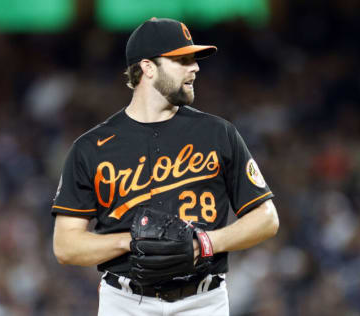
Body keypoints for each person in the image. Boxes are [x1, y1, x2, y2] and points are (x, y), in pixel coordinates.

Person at [51, 17, 279, 316]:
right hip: (125, 302)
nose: (195, 67)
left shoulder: (218, 134)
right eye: (182, 60)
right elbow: (65, 246)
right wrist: (130, 242)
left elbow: (267, 219)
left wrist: (205, 243)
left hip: (203, 301)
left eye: (194, 59)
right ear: (147, 68)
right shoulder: (91, 147)